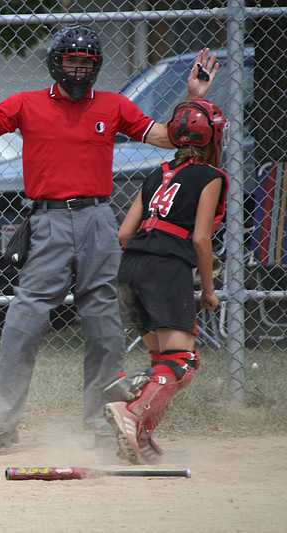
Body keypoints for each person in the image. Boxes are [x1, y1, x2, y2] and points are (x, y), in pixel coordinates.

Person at [0, 24, 218, 453]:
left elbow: (168, 137)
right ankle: (3, 428)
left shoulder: (114, 105)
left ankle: (104, 427)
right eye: (72, 61)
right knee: (23, 323)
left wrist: (192, 99)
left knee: (104, 325)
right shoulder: (25, 104)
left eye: (87, 63)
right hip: (47, 222)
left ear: (97, 67)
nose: (79, 70)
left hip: (98, 219)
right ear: (55, 63)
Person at [104, 98, 228, 464]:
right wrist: (208, 290)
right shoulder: (211, 177)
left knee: (163, 360)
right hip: (166, 268)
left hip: (130, 268)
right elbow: (201, 239)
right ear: (212, 139)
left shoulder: (156, 173)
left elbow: (124, 233)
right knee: (183, 361)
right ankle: (131, 410)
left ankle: (139, 432)